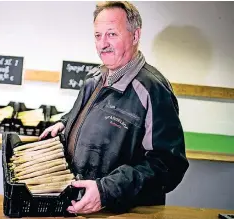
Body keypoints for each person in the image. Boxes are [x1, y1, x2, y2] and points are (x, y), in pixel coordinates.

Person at [39, 1, 189, 215]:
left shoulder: (152, 90)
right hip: (82, 205)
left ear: (135, 36)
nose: (102, 44)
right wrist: (64, 123)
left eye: (111, 34)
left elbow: (168, 164)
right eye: (98, 35)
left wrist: (107, 191)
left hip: (121, 211)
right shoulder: (95, 77)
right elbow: (83, 114)